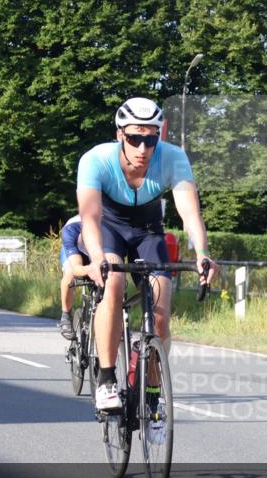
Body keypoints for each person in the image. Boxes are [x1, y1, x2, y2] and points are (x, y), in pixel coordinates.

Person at [78, 97, 218, 412]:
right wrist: (98, 256)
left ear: (159, 136)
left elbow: (190, 214)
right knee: (112, 285)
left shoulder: (173, 158)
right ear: (119, 135)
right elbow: (89, 217)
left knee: (160, 308)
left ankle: (152, 397)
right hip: (109, 230)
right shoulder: (95, 159)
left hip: (148, 231)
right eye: (134, 138)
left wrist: (203, 254)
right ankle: (106, 378)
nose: (143, 148)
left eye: (150, 139)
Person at [58, 214, 92, 340]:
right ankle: (65, 314)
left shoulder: (110, 225)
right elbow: (75, 267)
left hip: (95, 252)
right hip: (75, 249)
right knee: (71, 273)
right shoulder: (73, 227)